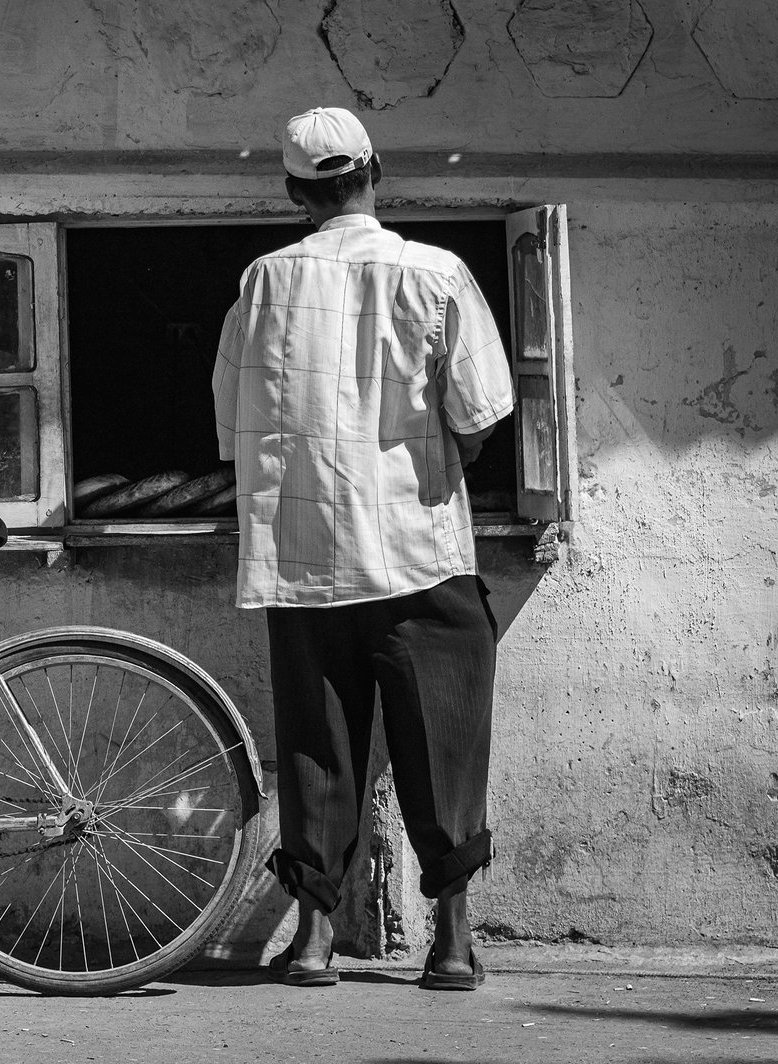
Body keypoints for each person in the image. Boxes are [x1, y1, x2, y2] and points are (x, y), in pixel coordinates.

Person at [212, 106, 514, 991]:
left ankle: (313, 941)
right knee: (446, 749)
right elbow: (482, 412)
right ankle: (452, 942)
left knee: (316, 751)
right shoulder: (437, 273)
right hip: (421, 553)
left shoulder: (263, 281)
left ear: (294, 192)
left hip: (305, 561)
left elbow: (232, 425)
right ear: (376, 171)